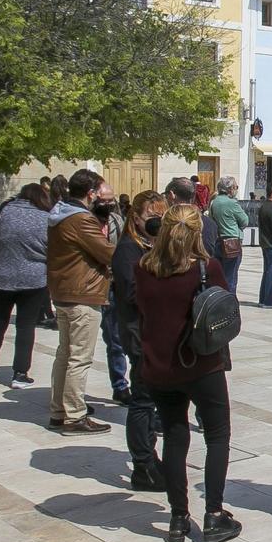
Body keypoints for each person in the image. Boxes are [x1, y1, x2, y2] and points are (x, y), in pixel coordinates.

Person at [134, 204, 240, 542]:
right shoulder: (204, 268)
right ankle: (214, 514)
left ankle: (178, 516)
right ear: (197, 232)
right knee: (217, 435)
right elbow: (225, 306)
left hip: (159, 365)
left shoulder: (144, 268)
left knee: (175, 438)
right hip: (201, 364)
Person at [45, 169, 116, 434]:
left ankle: (59, 410)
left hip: (65, 291)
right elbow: (107, 253)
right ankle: (74, 414)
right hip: (81, 293)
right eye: (100, 194)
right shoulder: (81, 220)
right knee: (79, 358)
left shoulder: (61, 214)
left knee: (65, 354)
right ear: (91, 193)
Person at [112, 191, 167, 492]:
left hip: (155, 331)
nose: (156, 223)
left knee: (152, 400)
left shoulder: (149, 247)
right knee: (142, 400)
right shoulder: (127, 251)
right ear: (135, 217)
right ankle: (142, 465)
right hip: (138, 332)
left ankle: (150, 455)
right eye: (151, 217)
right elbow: (132, 293)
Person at [0, 184, 54, 389]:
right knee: (25, 327)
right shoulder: (46, 218)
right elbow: (53, 247)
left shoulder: (2, 211)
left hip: (1, 275)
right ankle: (19, 374)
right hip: (34, 278)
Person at [207, 176, 248, 292]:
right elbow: (245, 221)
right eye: (235, 187)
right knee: (231, 277)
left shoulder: (215, 202)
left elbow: (211, 219)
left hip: (218, 241)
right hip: (232, 243)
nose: (236, 190)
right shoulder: (232, 203)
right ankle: (230, 305)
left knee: (219, 276)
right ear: (230, 189)